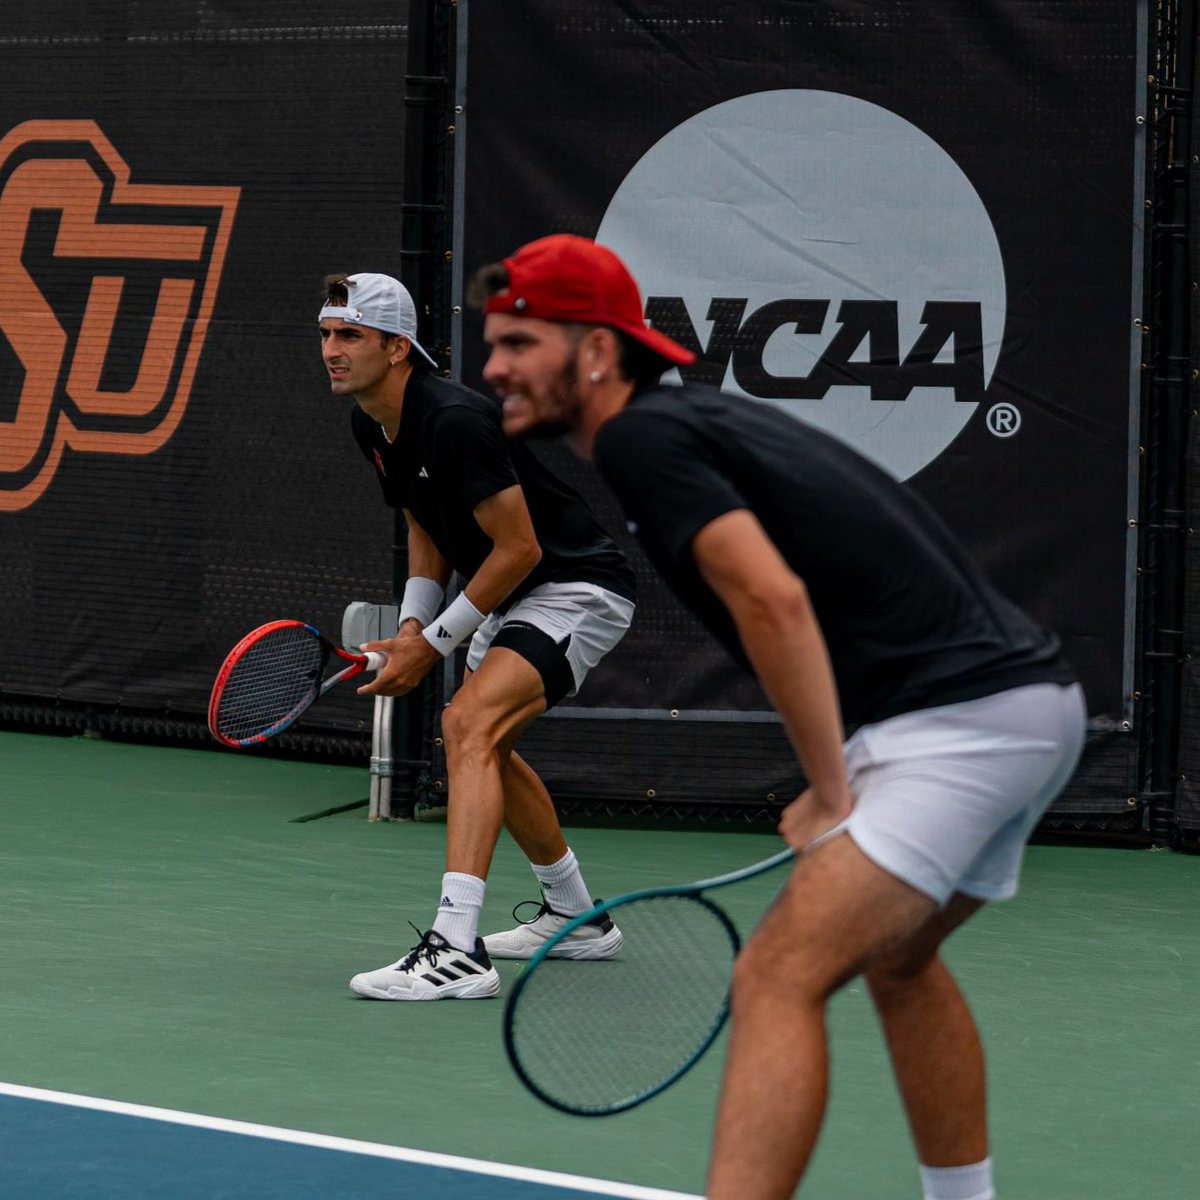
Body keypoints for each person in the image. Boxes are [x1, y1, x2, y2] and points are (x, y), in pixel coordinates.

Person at [467, 234, 1086, 1200]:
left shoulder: (642, 438)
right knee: (901, 962)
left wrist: (831, 792)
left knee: (775, 978)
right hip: (1030, 707)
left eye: (519, 342)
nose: (494, 365)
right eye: (493, 342)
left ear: (594, 350)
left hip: (958, 723)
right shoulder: (690, 423)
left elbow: (774, 601)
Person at [318, 271, 636, 1000]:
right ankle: (578, 916)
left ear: (398, 348)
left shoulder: (454, 419)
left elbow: (520, 547)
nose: (332, 351)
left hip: (574, 589)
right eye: (327, 336)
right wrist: (410, 628)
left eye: (351, 337)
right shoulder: (373, 422)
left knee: (467, 725)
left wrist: (434, 645)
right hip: (512, 597)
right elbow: (425, 529)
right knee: (484, 742)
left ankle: (458, 947)